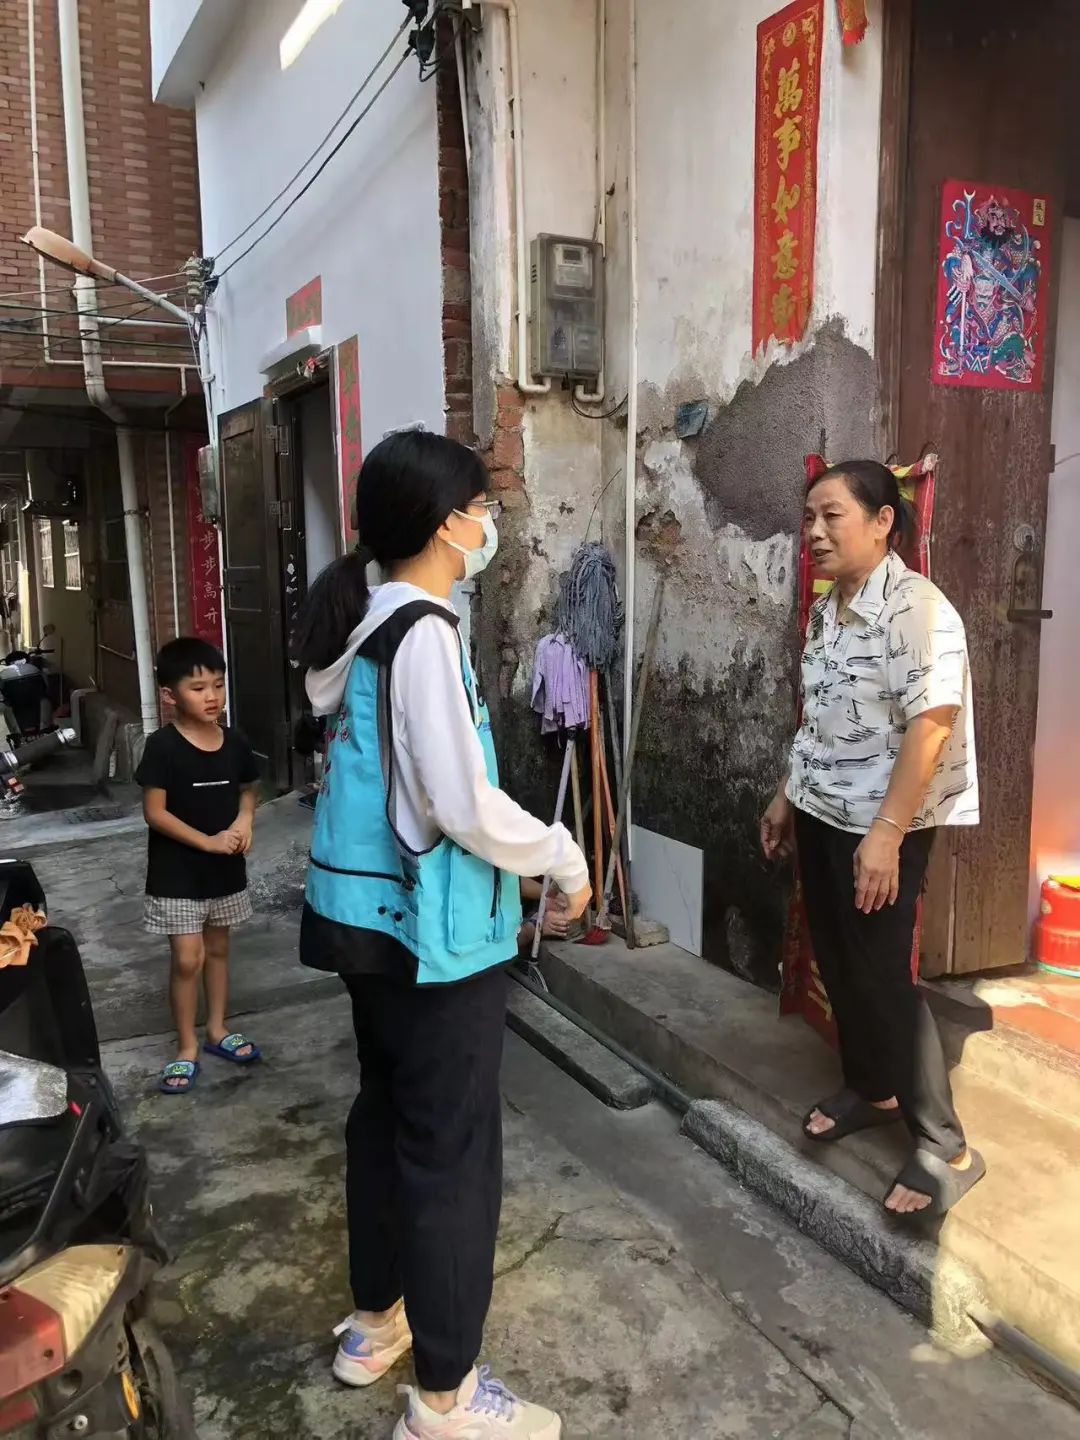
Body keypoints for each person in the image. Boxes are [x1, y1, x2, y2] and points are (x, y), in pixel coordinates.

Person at [294, 430, 590, 1440]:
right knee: (450, 1156)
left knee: (385, 1121)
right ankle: (448, 1400)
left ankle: (375, 1325)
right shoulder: (421, 633)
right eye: (481, 507)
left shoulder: (367, 623)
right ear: (445, 523)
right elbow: (461, 805)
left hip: (364, 928)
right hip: (434, 942)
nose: (489, 524)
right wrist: (561, 855)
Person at [760, 460, 985, 1218]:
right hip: (823, 811)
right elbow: (820, 717)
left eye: (833, 516)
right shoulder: (829, 609)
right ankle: (873, 1087)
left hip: (882, 825)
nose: (815, 533)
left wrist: (887, 833)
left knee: (884, 972)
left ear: (883, 521)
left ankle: (945, 1144)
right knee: (838, 955)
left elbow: (933, 725)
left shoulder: (918, 610)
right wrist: (786, 795)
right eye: (809, 518)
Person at [135, 637, 261, 1095]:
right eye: (198, 688)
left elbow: (248, 790)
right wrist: (207, 842)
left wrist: (245, 820)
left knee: (219, 949)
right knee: (188, 959)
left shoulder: (236, 741)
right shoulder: (162, 747)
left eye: (218, 686)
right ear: (169, 695)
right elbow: (155, 813)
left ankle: (217, 1029)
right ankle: (186, 1045)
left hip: (225, 871)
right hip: (177, 875)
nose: (212, 697)